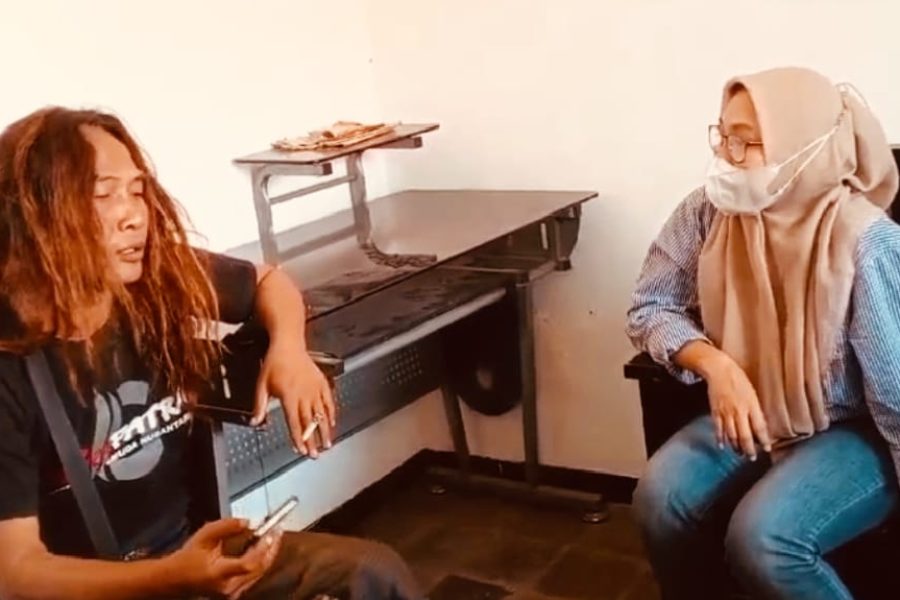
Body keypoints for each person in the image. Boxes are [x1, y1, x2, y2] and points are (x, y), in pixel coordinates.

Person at [0, 107, 423, 600]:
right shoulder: (12, 367)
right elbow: (16, 572)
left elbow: (268, 282)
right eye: (103, 194)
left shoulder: (155, 279)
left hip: (188, 556)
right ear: (35, 212)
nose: (135, 215)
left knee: (372, 573)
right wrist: (174, 576)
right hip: (101, 588)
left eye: (137, 191)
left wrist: (289, 352)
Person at [626, 66, 900, 599]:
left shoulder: (866, 243)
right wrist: (716, 366)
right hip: (754, 407)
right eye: (722, 136)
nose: (726, 156)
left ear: (802, 148)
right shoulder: (708, 212)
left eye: (746, 142)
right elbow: (649, 305)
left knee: (764, 539)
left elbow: (896, 395)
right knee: (660, 497)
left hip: (851, 428)